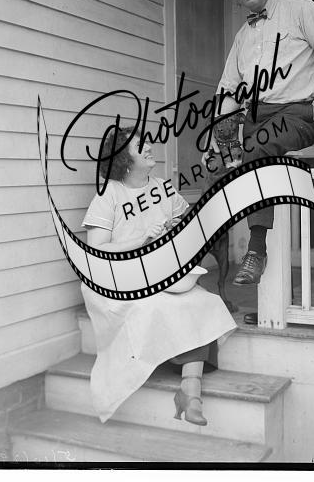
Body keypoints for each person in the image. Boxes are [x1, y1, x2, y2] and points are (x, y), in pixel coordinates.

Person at [210, 0, 314, 325]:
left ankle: (255, 250)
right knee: (219, 171)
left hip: (299, 113)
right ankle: (228, 287)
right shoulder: (243, 36)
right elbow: (228, 90)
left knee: (255, 150)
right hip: (258, 119)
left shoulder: (301, 9)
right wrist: (223, 138)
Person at [80, 127, 236, 425]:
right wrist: (141, 240)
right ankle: (189, 392)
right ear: (123, 158)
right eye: (140, 145)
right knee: (163, 306)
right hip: (118, 277)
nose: (150, 147)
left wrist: (176, 230)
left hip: (159, 272)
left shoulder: (163, 188)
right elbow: (96, 250)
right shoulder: (109, 194)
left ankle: (190, 391)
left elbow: (185, 227)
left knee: (202, 302)